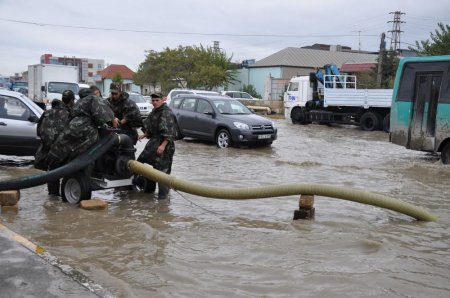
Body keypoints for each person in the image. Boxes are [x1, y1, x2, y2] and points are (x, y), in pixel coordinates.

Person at [46, 88, 114, 168]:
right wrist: (112, 119)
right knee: (88, 155)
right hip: (86, 131)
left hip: (70, 131)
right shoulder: (92, 99)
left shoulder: (78, 103)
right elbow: (102, 117)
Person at [34, 90, 75, 195]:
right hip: (63, 152)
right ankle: (66, 199)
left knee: (52, 176)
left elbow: (38, 131)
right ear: (71, 101)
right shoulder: (70, 114)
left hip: (48, 152)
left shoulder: (47, 112)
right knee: (69, 174)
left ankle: (53, 202)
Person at [137, 92, 176, 200]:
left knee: (162, 172)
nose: (154, 102)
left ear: (162, 100)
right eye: (153, 100)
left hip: (164, 145)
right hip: (153, 143)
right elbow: (151, 127)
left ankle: (163, 200)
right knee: (141, 163)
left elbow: (170, 133)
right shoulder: (155, 111)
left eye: (157, 100)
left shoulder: (166, 113)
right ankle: (149, 191)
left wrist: (163, 146)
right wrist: (145, 134)